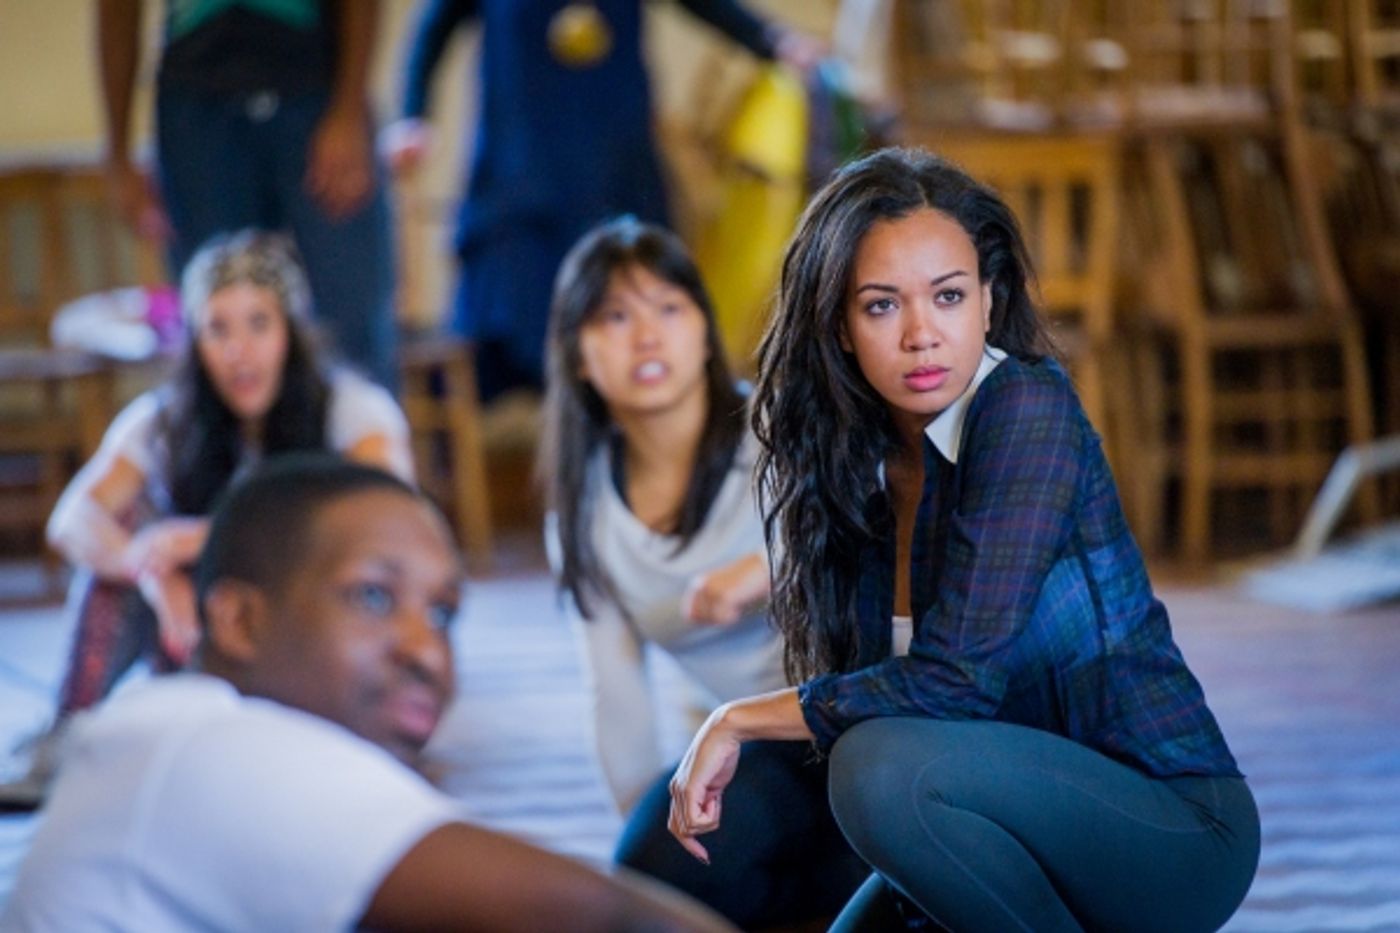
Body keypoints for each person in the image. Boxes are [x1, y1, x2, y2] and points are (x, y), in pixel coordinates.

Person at [665, 148, 1262, 932]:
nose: (922, 334)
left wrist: (734, 718)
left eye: (948, 296)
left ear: (988, 299)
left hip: (1169, 828)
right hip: (997, 822)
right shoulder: (862, 472)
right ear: (840, 328)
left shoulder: (1025, 409)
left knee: (876, 769)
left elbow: (953, 685)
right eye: (880, 306)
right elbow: (888, 702)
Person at [2, 455, 735, 932]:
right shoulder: (213, 744)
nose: (427, 649)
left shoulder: (165, 733)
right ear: (237, 619)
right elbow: (619, 923)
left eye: (443, 612)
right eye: (374, 596)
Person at [539, 216, 867, 929]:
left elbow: (873, 531)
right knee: (655, 879)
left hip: (872, 724)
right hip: (756, 752)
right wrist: (650, 837)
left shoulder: (780, 426)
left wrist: (766, 571)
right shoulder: (584, 517)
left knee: (866, 891)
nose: (646, 335)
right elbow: (615, 698)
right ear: (579, 357)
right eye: (615, 316)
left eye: (668, 307)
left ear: (702, 327)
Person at [43, 230, 413, 727]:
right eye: (218, 329)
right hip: (205, 638)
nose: (240, 351)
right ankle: (66, 734)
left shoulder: (351, 408)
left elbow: (387, 519)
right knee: (119, 533)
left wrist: (206, 538)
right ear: (196, 341)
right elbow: (72, 518)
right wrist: (146, 567)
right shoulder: (164, 419)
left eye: (259, 324)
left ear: (290, 330)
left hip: (317, 637)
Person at [383, 0, 824, 401]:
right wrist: (412, 115)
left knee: (640, 334)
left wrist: (773, 41)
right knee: (517, 342)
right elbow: (433, 28)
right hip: (522, 181)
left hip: (617, 173)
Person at [97, 0, 397, 387]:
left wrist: (349, 109)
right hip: (196, 106)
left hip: (315, 92)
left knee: (351, 335)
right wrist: (118, 152)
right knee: (218, 330)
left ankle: (358, 447)